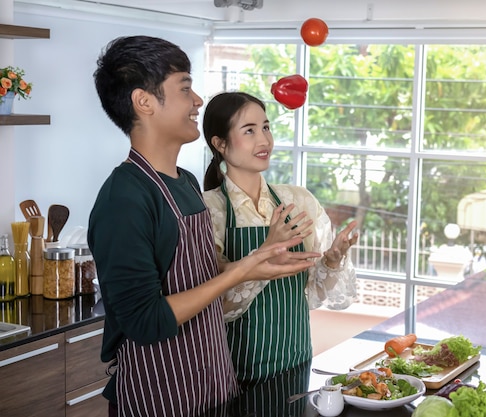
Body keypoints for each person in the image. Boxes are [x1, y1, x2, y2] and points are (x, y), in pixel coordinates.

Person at [88, 36, 319, 417]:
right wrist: (244, 270)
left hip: (212, 384)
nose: (197, 101)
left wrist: (260, 260)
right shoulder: (124, 199)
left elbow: (200, 275)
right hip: (159, 394)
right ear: (143, 102)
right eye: (185, 88)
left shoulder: (187, 182)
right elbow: (146, 322)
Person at [202, 91, 359, 384]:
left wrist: (333, 261)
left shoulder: (297, 201)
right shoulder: (208, 209)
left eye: (266, 127)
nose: (264, 140)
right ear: (220, 143)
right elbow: (213, 305)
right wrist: (266, 251)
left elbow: (314, 292)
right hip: (236, 375)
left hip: (297, 362)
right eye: (249, 130)